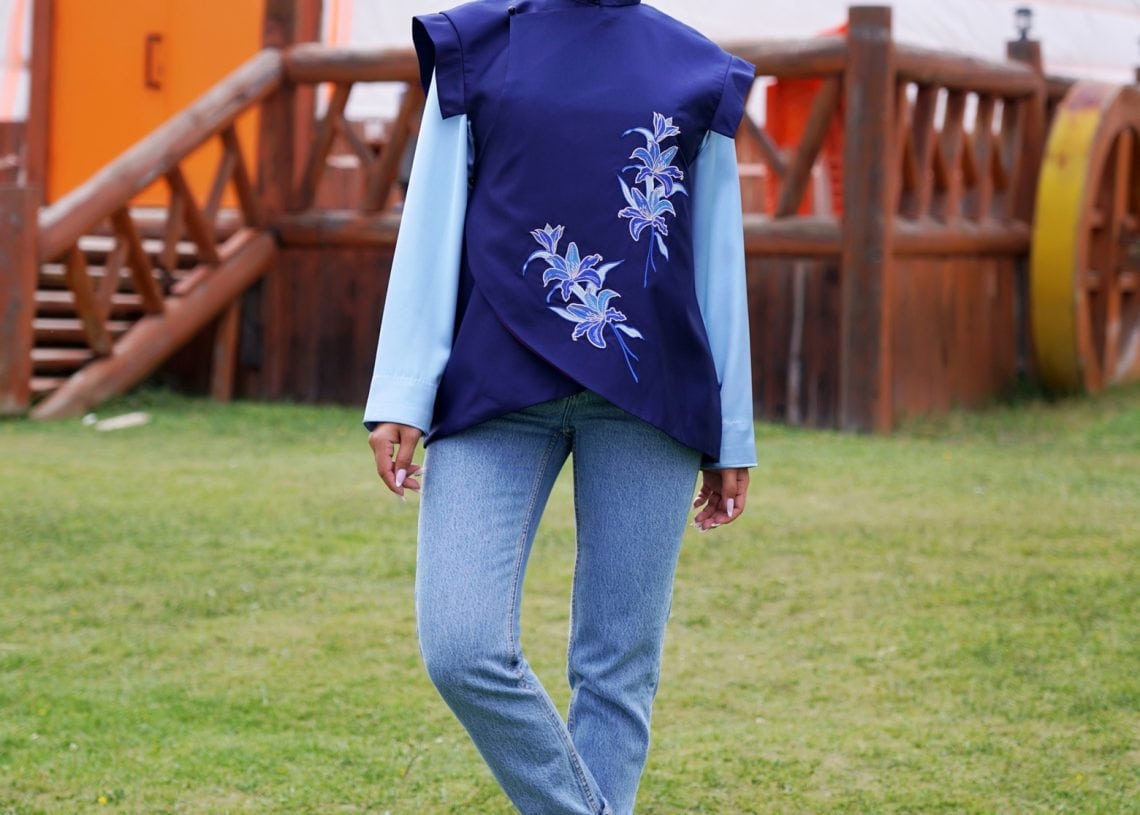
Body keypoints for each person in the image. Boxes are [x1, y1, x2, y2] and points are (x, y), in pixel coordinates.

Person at [365, 1, 756, 812]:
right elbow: (431, 218)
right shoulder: (476, 45)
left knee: (617, 670)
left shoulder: (698, 70)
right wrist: (402, 388)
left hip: (653, 397)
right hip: (492, 382)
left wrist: (733, 431)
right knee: (462, 645)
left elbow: (716, 250)